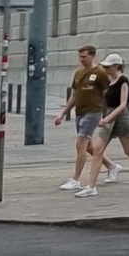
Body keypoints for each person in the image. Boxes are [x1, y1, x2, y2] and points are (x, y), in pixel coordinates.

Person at [76, 55, 129, 196]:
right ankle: (91, 187)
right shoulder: (108, 80)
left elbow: (122, 104)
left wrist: (107, 119)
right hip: (109, 117)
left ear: (116, 66)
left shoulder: (122, 80)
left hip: (121, 118)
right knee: (97, 150)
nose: (105, 69)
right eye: (105, 66)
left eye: (108, 66)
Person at [52, 45, 117, 191]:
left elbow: (108, 93)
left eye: (84, 56)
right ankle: (111, 166)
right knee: (87, 146)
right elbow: (75, 94)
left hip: (93, 112)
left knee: (80, 144)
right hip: (80, 112)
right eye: (80, 56)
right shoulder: (78, 73)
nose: (81, 59)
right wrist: (63, 113)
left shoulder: (100, 73)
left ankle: (76, 179)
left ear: (92, 56)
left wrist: (108, 114)